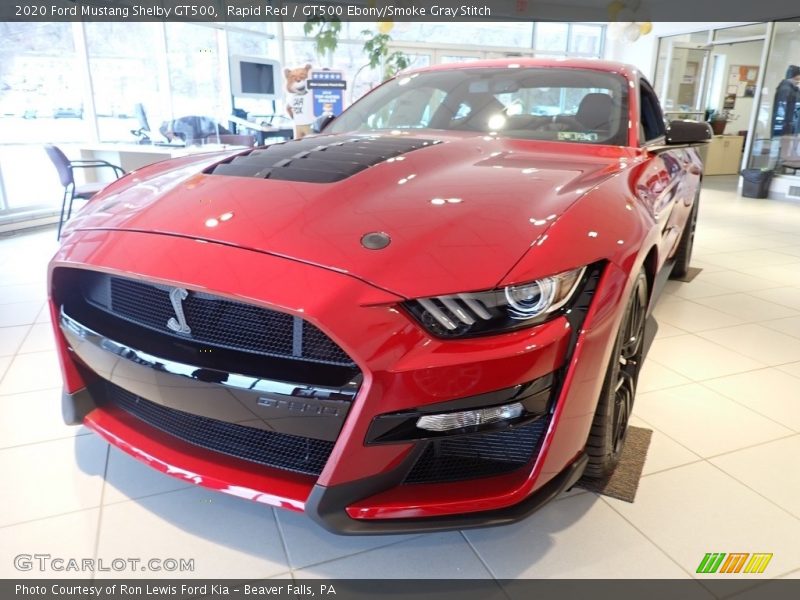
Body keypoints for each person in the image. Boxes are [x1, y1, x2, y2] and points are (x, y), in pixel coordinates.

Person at [771, 65, 800, 137]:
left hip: (789, 127)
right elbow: (781, 111)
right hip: (786, 128)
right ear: (796, 75)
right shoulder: (786, 89)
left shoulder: (793, 88)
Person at [159, 116, 231, 145]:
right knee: (230, 138)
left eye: (169, 138)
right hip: (209, 128)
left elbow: (189, 131)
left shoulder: (176, 126)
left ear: (167, 133)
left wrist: (188, 145)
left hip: (210, 128)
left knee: (231, 138)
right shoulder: (177, 126)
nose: (172, 138)